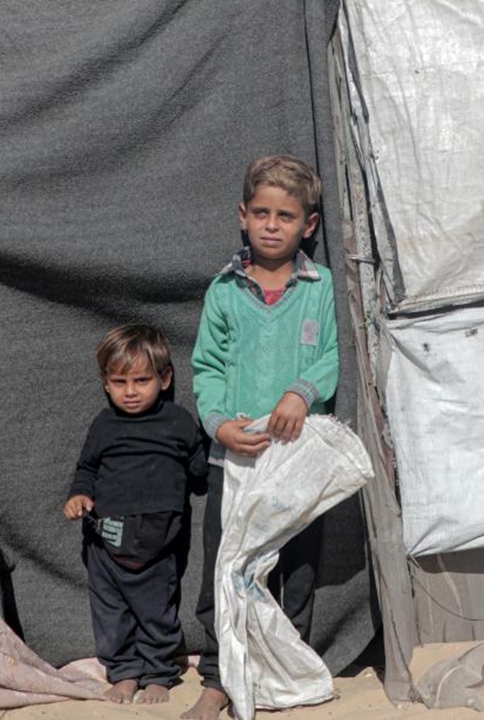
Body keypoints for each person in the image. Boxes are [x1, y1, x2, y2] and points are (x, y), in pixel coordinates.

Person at [184, 154, 339, 720]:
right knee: (226, 566)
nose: (274, 224)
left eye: (287, 215)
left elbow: (330, 355)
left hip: (297, 459)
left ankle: (281, 672)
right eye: (263, 213)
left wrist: (300, 392)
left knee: (294, 567)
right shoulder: (224, 291)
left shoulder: (319, 286)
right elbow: (208, 367)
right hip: (237, 456)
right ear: (243, 217)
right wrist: (220, 423)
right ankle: (219, 676)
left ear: (309, 225)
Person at [64, 324, 208, 705]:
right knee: (111, 615)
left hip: (158, 546)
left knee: (157, 612)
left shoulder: (178, 422)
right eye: (119, 381)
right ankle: (124, 673)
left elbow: (199, 468)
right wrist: (78, 495)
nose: (130, 391)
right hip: (105, 543)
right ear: (105, 383)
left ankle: (160, 674)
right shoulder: (104, 425)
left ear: (164, 379)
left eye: (141, 380)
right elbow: (87, 469)